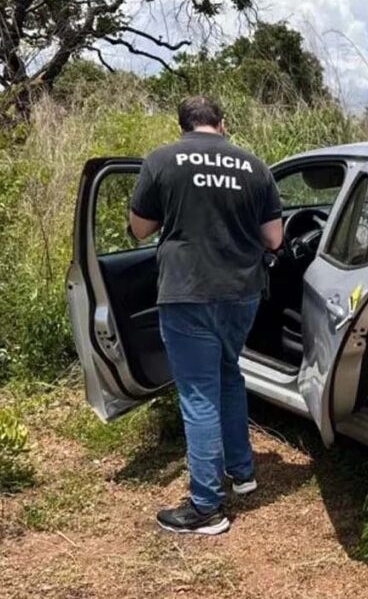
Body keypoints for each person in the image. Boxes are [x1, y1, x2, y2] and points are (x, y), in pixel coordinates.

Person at [129, 96, 283, 535]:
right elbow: (274, 237)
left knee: (199, 395)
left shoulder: (161, 160)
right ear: (222, 123)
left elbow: (140, 228)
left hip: (187, 293)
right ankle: (243, 471)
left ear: (183, 126)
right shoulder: (254, 166)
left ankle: (206, 508)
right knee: (228, 373)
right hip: (242, 293)